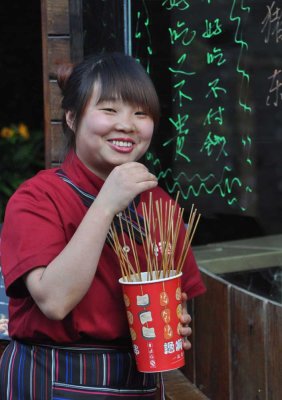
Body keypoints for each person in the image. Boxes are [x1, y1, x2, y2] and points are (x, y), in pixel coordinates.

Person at [0, 52, 206, 399]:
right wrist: (108, 202)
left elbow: (177, 303)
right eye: (109, 110)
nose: (126, 124)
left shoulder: (161, 207)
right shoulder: (37, 198)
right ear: (71, 118)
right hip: (51, 378)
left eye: (140, 113)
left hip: (139, 384)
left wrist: (177, 324)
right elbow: (54, 301)